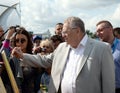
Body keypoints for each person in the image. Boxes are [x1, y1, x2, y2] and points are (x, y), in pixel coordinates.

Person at [12, 16, 115, 93]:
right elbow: (45, 60)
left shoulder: (102, 48)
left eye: (65, 32)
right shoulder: (62, 47)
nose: (62, 35)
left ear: (77, 31)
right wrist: (22, 56)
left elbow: (108, 84)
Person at [96, 20, 120, 93]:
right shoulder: (96, 48)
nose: (98, 34)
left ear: (110, 29)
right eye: (97, 31)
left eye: (100, 30)